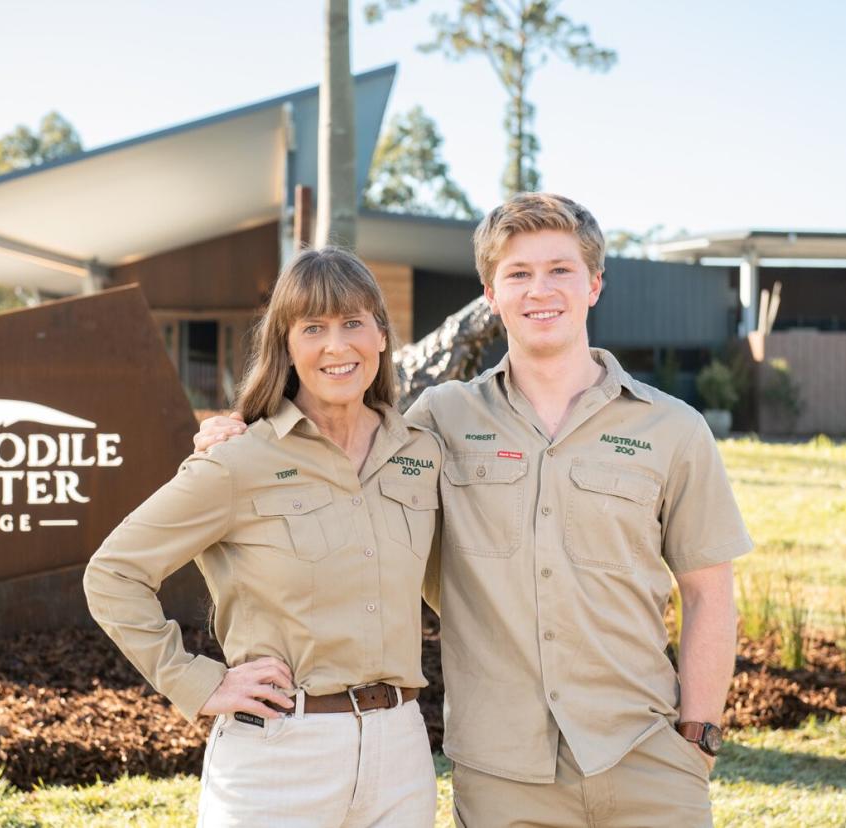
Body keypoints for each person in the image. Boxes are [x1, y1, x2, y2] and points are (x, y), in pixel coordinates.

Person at [197, 193, 751, 827]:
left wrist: (697, 737)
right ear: (490, 293)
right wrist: (243, 437)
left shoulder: (673, 428)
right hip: (501, 773)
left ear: (595, 283)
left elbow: (710, 591)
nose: (540, 290)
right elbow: (336, 464)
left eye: (560, 269)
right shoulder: (437, 421)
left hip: (645, 756)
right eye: (518, 273)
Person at [84, 246, 442, 828]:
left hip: (400, 752)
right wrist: (199, 683)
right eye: (313, 328)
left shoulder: (421, 453)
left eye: (353, 322)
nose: (337, 345)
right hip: (279, 756)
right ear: (287, 346)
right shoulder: (239, 459)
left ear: (381, 334)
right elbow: (113, 573)